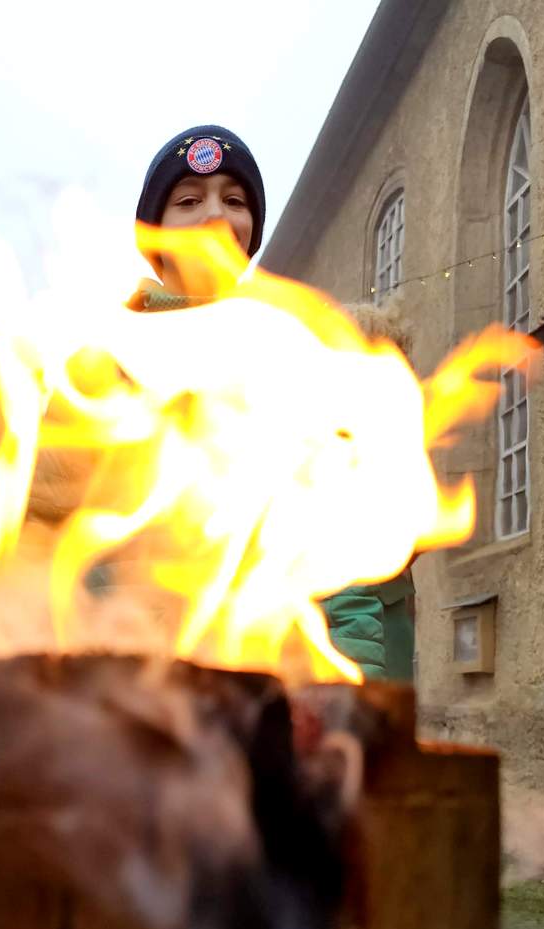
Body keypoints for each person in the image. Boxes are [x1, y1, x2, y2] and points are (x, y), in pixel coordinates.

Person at [128, 124, 410, 681]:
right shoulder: (98, 361)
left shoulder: (301, 358)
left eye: (234, 201)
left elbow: (338, 553)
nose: (215, 214)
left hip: (275, 684)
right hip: (139, 686)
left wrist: (356, 688)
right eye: (188, 200)